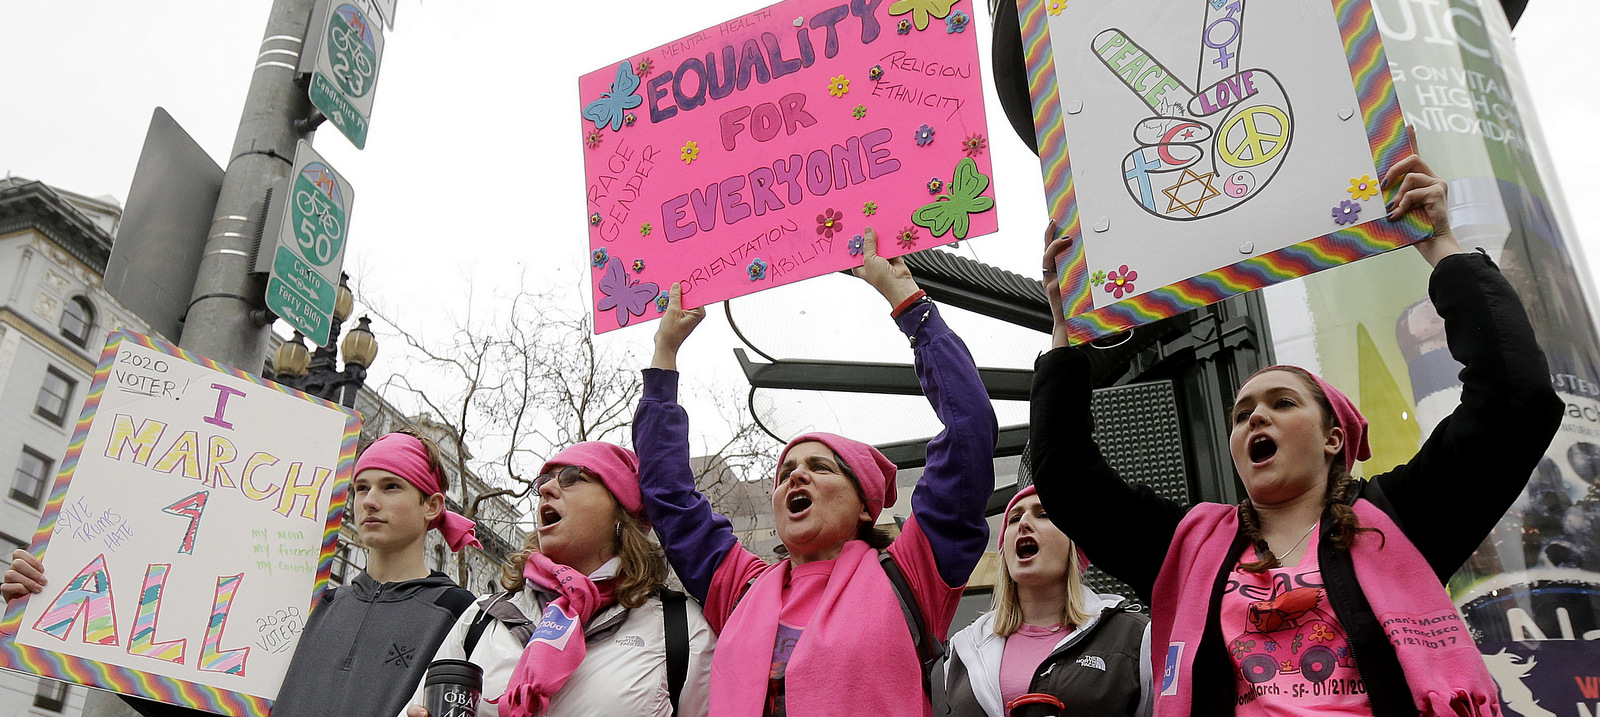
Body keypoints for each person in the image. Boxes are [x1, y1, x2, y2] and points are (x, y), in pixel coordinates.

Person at [1027, 154, 1564, 716]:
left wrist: (1442, 248)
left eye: (1282, 403)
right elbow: (1066, 474)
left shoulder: (1403, 519)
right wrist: (1066, 334)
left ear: (1334, 438)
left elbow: (1514, 399)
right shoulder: (1184, 551)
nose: (1255, 418)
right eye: (1241, 414)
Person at [634, 228, 999, 717]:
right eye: (785, 472)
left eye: (819, 466)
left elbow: (970, 428)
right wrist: (664, 356)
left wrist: (909, 305)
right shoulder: (739, 587)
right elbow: (668, 498)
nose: (794, 478)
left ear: (865, 502)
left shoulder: (913, 571)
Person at [4, 429, 480, 717]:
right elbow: (201, 698)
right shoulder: (312, 607)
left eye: (391, 486)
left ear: (432, 505)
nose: (369, 501)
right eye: (361, 488)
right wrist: (49, 604)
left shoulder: (461, 616)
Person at [405, 441, 714, 717]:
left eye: (571, 478)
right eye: (543, 481)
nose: (545, 489)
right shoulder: (482, 618)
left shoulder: (680, 628)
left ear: (620, 511)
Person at [936, 486, 1152, 717]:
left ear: (1074, 544)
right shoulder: (963, 648)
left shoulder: (1134, 635)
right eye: (1014, 518)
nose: (1024, 524)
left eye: (1043, 515)